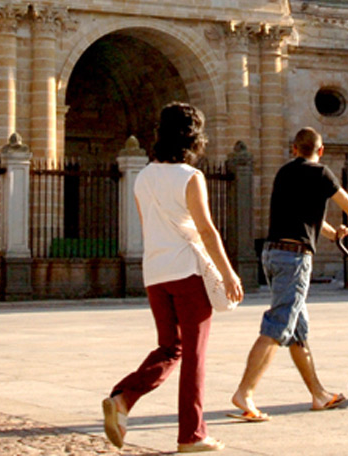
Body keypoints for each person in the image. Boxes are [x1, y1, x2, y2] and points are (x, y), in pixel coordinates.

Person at [102, 103, 243, 453]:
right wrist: (228, 274)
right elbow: (207, 231)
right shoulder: (190, 177)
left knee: (170, 347)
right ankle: (191, 435)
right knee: (193, 355)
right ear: (194, 137)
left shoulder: (143, 176)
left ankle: (124, 397)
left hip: (154, 273)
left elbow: (148, 222)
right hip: (187, 272)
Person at [229, 128, 348, 420]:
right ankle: (245, 392)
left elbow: (306, 218)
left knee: (297, 330)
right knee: (278, 325)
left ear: (294, 149)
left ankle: (318, 394)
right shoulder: (322, 174)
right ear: (321, 150)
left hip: (273, 253)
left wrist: (330, 234)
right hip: (294, 258)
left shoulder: (283, 173)